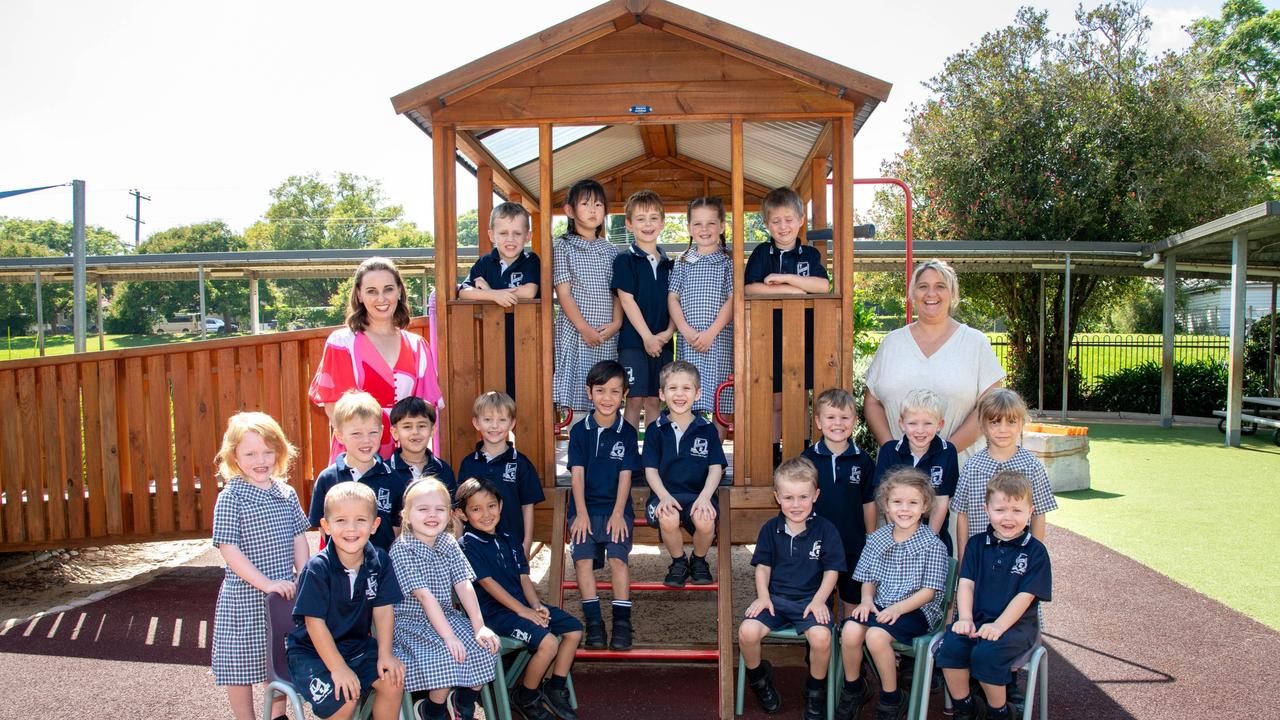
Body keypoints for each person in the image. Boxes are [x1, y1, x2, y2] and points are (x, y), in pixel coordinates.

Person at [211, 411, 311, 720]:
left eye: (268, 451)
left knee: (277, 658)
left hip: (283, 595)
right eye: (251, 453)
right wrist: (265, 583)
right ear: (235, 457)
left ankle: (276, 714)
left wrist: (306, 576)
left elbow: (298, 538)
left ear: (280, 453)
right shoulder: (232, 497)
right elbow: (230, 550)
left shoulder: (286, 493)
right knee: (240, 664)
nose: (261, 460)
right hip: (245, 597)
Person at [458, 478, 583, 720]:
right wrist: (523, 611)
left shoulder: (509, 537)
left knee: (574, 630)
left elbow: (524, 577)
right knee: (548, 643)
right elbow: (488, 583)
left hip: (522, 607)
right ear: (463, 515)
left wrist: (535, 605)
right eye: (476, 509)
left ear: (501, 506)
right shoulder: (468, 545)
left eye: (491, 506)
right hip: (495, 615)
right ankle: (525, 695)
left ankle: (554, 688)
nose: (486, 514)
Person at [935, 471, 1052, 720]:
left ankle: (999, 712)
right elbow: (965, 584)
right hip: (976, 620)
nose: (1008, 518)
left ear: (1030, 512)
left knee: (985, 654)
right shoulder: (977, 544)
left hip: (1016, 628)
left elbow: (1025, 597)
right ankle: (965, 707)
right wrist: (964, 617)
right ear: (986, 509)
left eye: (1017, 511)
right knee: (951, 648)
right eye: (1000, 510)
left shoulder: (1036, 552)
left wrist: (999, 625)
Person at [837, 468, 949, 720]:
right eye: (897, 502)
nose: (904, 509)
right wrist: (866, 600)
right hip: (882, 604)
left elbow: (929, 593)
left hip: (917, 611)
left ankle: (892, 697)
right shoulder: (877, 539)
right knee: (850, 630)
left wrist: (898, 609)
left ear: (925, 506)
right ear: (885, 506)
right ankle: (854, 688)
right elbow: (869, 579)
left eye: (912, 503)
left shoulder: (932, 545)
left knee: (876, 636)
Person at [864, 259, 1004, 459]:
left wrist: (943, 453)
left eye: (940, 286)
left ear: (953, 294)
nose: (931, 294)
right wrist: (894, 450)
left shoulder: (975, 343)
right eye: (923, 287)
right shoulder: (891, 343)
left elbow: (990, 408)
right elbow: (872, 402)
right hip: (898, 476)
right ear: (912, 294)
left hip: (960, 474)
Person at [287, 482, 405, 720]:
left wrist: (385, 653)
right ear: (326, 526)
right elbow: (314, 624)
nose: (351, 529)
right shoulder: (317, 568)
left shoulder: (379, 560)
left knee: (393, 680)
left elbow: (383, 610)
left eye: (361, 520)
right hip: (312, 653)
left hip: (357, 647)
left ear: (374, 525)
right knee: (345, 699)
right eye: (341, 520)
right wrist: (338, 668)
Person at [740, 456, 845, 720]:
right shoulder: (769, 529)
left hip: (810, 603)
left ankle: (815, 692)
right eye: (788, 498)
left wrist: (821, 600)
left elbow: (832, 571)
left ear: (816, 495)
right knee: (747, 631)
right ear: (777, 497)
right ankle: (760, 681)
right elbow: (762, 567)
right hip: (775, 601)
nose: (796, 505)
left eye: (803, 497)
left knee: (822, 638)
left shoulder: (826, 530)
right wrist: (763, 597)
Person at [309, 256, 442, 462]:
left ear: (399, 291)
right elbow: (335, 409)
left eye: (388, 289)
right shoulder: (342, 342)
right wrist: (367, 445)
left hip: (405, 459)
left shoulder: (417, 346)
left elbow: (426, 411)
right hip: (358, 457)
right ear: (359, 295)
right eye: (372, 291)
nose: (381, 298)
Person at [390, 478, 499, 720]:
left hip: (446, 617)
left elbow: (463, 584)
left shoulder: (448, 542)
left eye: (439, 509)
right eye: (423, 509)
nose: (432, 515)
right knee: (446, 656)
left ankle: (463, 700)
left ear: (449, 515)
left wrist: (479, 626)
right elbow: (425, 597)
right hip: (412, 624)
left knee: (486, 648)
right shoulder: (401, 549)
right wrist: (448, 637)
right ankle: (432, 709)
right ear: (406, 515)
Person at [744, 187, 829, 448]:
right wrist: (793, 291)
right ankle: (772, 451)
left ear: (801, 220)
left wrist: (786, 278)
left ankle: (800, 447)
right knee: (774, 398)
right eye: (776, 221)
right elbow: (749, 288)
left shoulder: (810, 255)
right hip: (767, 338)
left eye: (789, 220)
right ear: (767, 224)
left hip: (803, 336)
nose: (783, 227)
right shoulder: (761, 253)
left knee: (799, 397)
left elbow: (823, 286)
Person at [567, 360, 641, 650]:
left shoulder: (627, 432)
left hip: (616, 507)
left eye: (614, 391)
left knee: (618, 560)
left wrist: (619, 513)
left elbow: (625, 478)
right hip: (584, 506)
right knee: (583, 561)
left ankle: (622, 624)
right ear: (589, 392)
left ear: (624, 395)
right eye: (600, 390)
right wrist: (581, 514)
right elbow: (577, 476)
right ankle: (594, 623)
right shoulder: (579, 431)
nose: (607, 398)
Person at [641, 360, 727, 587]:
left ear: (697, 394)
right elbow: (650, 470)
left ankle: (698, 561)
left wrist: (706, 497)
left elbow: (715, 468)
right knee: (667, 516)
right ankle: (678, 562)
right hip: (664, 494)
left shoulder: (706, 429)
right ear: (661, 394)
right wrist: (664, 496)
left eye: (686, 388)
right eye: (672, 388)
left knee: (706, 519)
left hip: (699, 495)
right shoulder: (655, 430)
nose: (679, 395)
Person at [953, 389, 1058, 558]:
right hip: (980, 558)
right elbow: (962, 515)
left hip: (1018, 558)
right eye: (995, 422)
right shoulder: (972, 466)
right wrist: (964, 560)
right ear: (983, 424)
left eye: (1010, 421)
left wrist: (1033, 556)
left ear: (1021, 423)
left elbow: (1039, 514)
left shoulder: (1032, 466)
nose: (1003, 429)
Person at [802, 388, 877, 611]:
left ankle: (848, 644)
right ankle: (820, 645)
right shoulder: (807, 459)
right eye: (831, 417)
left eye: (845, 417)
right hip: (816, 546)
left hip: (852, 545)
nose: (838, 423)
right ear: (818, 421)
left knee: (852, 603)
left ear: (854, 421)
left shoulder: (863, 461)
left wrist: (870, 538)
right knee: (816, 604)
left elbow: (869, 501)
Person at [552, 178, 622, 416]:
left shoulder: (611, 250)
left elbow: (617, 293)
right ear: (570, 210)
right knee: (578, 394)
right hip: (576, 332)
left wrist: (616, 323)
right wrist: (584, 328)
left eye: (599, 205)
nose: (593, 210)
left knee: (606, 392)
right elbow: (564, 293)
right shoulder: (562, 246)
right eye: (585, 204)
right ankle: (579, 445)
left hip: (607, 333)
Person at [459, 201, 541, 398]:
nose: (510, 239)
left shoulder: (531, 261)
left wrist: (489, 290)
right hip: (490, 341)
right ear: (491, 235)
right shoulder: (485, 262)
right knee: (493, 391)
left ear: (528, 236)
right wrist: (493, 295)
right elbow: (464, 292)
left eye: (517, 233)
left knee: (523, 391)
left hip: (524, 340)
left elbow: (529, 291)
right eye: (503, 233)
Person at [668, 196, 734, 440]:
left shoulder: (729, 261)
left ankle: (714, 455)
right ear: (688, 228)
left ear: (722, 226)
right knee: (688, 395)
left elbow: (732, 299)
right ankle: (690, 455)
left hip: (718, 340)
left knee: (719, 399)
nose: (704, 230)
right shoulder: (683, 262)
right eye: (697, 224)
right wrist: (684, 329)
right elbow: (673, 298)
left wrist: (712, 332)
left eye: (711, 223)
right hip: (690, 340)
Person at [612, 189, 675, 430]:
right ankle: (628, 457)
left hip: (663, 343)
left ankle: (650, 457)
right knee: (635, 398)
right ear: (629, 224)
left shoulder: (670, 264)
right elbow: (627, 301)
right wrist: (647, 337)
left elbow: (676, 302)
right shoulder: (625, 260)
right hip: (633, 343)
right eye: (640, 219)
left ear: (662, 222)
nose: (647, 224)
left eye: (653, 218)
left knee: (654, 400)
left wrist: (668, 333)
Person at [309, 391, 403, 552]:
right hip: (339, 570)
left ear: (381, 432)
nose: (366, 440)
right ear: (339, 436)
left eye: (372, 432)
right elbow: (323, 527)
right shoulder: (328, 479)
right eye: (356, 434)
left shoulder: (393, 479)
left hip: (381, 570)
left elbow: (397, 528)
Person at [456, 391, 544, 559]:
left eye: (502, 420)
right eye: (488, 420)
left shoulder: (521, 463)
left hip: (512, 544)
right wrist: (460, 543)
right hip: (476, 547)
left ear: (512, 423)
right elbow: (460, 508)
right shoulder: (468, 463)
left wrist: (526, 543)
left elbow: (527, 506)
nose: (494, 426)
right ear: (476, 423)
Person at [873, 388, 960, 554]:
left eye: (927, 423)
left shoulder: (947, 452)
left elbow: (941, 502)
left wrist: (927, 542)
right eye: (913, 423)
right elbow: (884, 500)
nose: (920, 430)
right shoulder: (890, 451)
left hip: (934, 537)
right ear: (902, 424)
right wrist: (897, 536)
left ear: (940, 425)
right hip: (895, 536)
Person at [386, 396, 455, 492]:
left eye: (422, 426)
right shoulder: (384, 472)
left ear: (432, 430)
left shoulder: (443, 470)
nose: (415, 432)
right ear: (395, 433)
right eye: (407, 426)